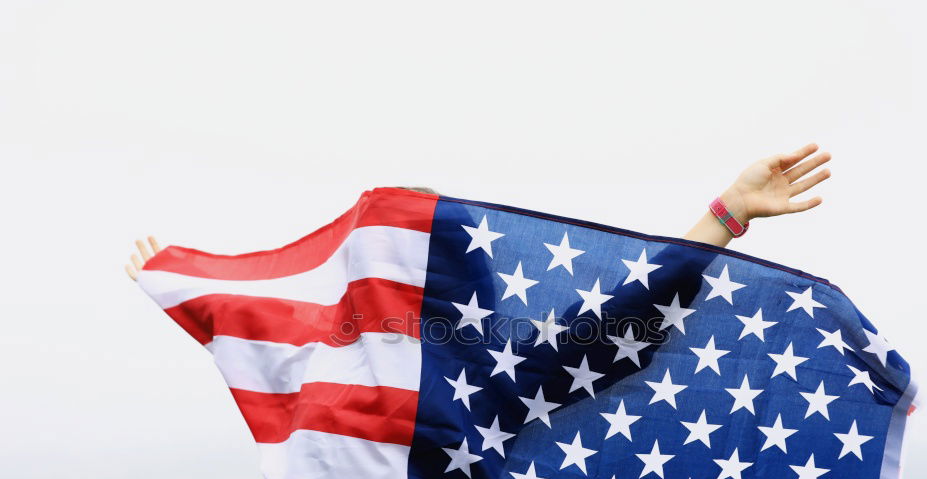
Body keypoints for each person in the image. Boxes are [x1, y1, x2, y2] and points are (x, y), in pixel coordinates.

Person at [124, 143, 830, 277]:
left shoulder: (487, 374)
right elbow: (252, 326)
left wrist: (728, 215)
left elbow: (624, 320)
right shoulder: (323, 364)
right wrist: (180, 281)